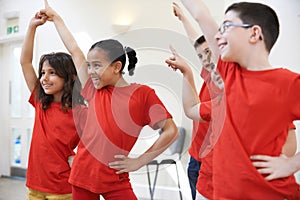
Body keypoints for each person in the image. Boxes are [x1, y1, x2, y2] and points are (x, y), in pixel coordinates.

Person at [40, 1, 179, 199]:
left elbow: (171, 131)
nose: (91, 72)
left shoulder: (143, 95)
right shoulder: (93, 91)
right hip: (82, 177)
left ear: (116, 67)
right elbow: (75, 52)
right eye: (89, 66)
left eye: (97, 65)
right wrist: (57, 19)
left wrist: (139, 161)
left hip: (116, 179)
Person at [167, 0, 300, 199]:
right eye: (219, 29)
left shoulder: (287, 84)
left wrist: (291, 164)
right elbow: (201, 14)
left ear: (255, 33)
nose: (218, 35)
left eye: (227, 27)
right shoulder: (229, 74)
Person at [20, 12, 86, 200]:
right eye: (42, 72)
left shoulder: (81, 111)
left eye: (52, 73)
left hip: (63, 189)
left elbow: (94, 143)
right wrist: (32, 27)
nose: (44, 78)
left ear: (70, 76)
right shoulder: (41, 102)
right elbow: (25, 62)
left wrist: (79, 157)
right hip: (35, 186)